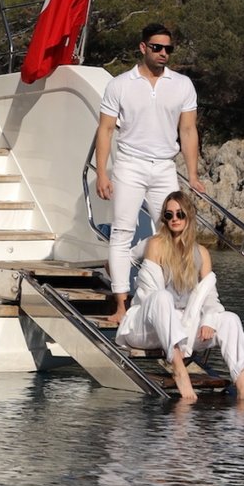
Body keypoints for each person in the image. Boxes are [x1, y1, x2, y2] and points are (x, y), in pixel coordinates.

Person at [91, 20, 199, 326]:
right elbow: (106, 130)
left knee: (172, 233)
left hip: (165, 166)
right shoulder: (120, 85)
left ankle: (165, 300)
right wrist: (102, 172)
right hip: (129, 164)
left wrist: (192, 174)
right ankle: (121, 306)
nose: (163, 53)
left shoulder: (182, 85)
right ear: (143, 48)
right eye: (157, 47)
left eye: (168, 48)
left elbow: (188, 130)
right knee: (122, 231)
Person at [118, 191, 244, 406]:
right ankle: (179, 371)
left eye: (180, 214)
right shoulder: (156, 245)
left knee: (230, 319)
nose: (174, 219)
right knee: (161, 297)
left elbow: (210, 296)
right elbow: (149, 294)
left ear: (189, 216)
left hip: (181, 328)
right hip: (146, 328)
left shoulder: (201, 253)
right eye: (168, 214)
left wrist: (209, 319)